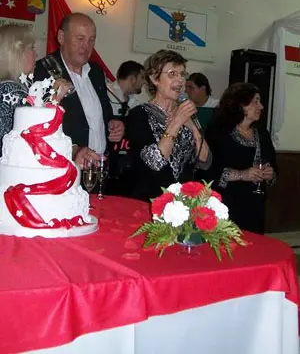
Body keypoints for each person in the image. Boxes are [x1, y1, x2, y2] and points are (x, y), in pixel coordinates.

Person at [34, 13, 124, 168]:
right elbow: (37, 126)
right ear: (62, 37)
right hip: (61, 169)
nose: (86, 47)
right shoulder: (43, 71)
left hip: (98, 168)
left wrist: (113, 123)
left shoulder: (96, 72)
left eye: (91, 40)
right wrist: (74, 151)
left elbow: (105, 112)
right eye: (80, 39)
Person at [126, 49, 211, 201]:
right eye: (172, 74)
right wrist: (177, 122)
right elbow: (155, 162)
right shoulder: (139, 115)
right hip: (149, 203)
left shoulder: (186, 116)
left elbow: (205, 161)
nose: (180, 81)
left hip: (183, 204)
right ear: (154, 78)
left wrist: (192, 126)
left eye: (182, 74)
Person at [206, 82, 277, 234]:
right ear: (240, 105)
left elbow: (274, 166)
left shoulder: (262, 134)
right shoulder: (218, 133)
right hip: (226, 204)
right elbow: (207, 170)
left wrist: (270, 174)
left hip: (255, 205)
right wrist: (242, 175)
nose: (261, 106)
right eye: (255, 102)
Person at [0, 24, 36, 153]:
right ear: (17, 53)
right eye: (31, 48)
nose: (36, 54)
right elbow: (31, 134)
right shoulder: (11, 91)